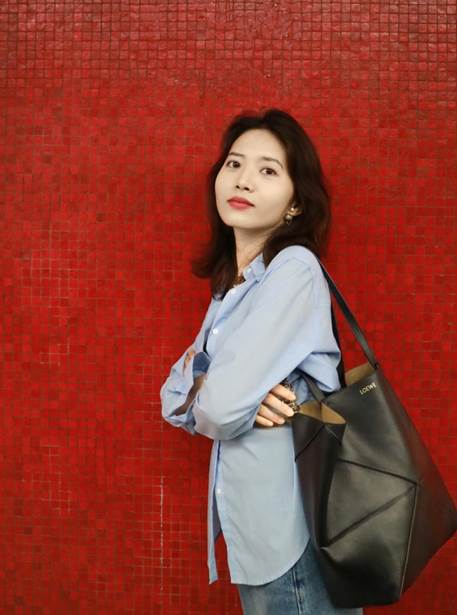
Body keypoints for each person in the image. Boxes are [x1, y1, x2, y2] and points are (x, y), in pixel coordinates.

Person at [160, 108, 363, 615]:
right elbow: (171, 397)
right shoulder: (232, 287)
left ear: (295, 202)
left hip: (292, 535)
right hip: (257, 531)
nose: (244, 179)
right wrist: (226, 395)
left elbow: (217, 407)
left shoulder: (293, 269)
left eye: (268, 170)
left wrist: (221, 394)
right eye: (234, 163)